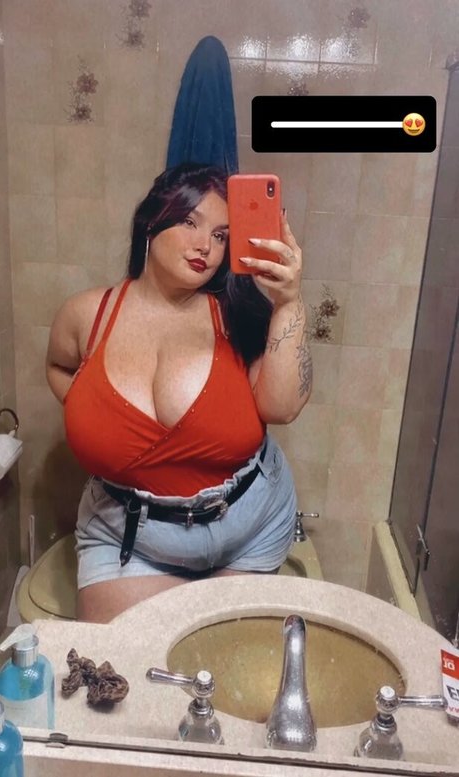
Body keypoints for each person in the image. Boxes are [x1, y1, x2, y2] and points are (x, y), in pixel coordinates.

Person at [46, 163, 312, 623]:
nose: (205, 246)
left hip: (249, 528)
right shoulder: (86, 314)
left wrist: (288, 301)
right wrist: (98, 415)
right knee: (115, 661)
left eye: (222, 235)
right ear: (152, 221)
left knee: (221, 661)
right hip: (128, 535)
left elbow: (282, 408)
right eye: (190, 222)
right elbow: (58, 366)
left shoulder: (239, 316)